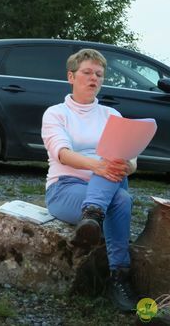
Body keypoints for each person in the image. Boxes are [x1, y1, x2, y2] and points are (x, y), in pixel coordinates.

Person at [41, 48, 138, 312]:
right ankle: (120, 275)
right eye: (87, 72)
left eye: (99, 74)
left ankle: (93, 219)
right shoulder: (55, 113)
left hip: (104, 188)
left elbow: (132, 161)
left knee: (116, 179)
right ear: (71, 76)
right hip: (65, 189)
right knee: (122, 198)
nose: (93, 78)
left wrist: (126, 164)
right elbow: (61, 153)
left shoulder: (111, 116)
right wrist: (100, 165)